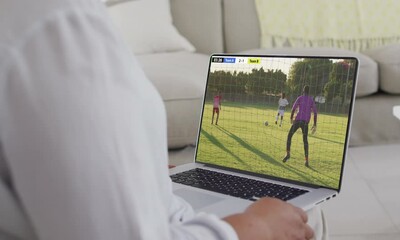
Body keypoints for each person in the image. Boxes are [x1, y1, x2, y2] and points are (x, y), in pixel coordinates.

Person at [0, 0, 326, 239]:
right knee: (311, 217)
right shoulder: (60, 21)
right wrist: (257, 228)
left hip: (163, 207)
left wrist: (145, 173)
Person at [282, 86, 317, 167]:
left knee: (289, 136)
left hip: (298, 121)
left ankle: (288, 153)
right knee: (305, 140)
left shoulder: (300, 98)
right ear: (309, 92)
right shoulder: (311, 99)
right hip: (305, 123)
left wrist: (291, 118)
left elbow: (293, 109)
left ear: (303, 91)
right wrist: (315, 124)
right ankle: (306, 160)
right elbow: (315, 113)